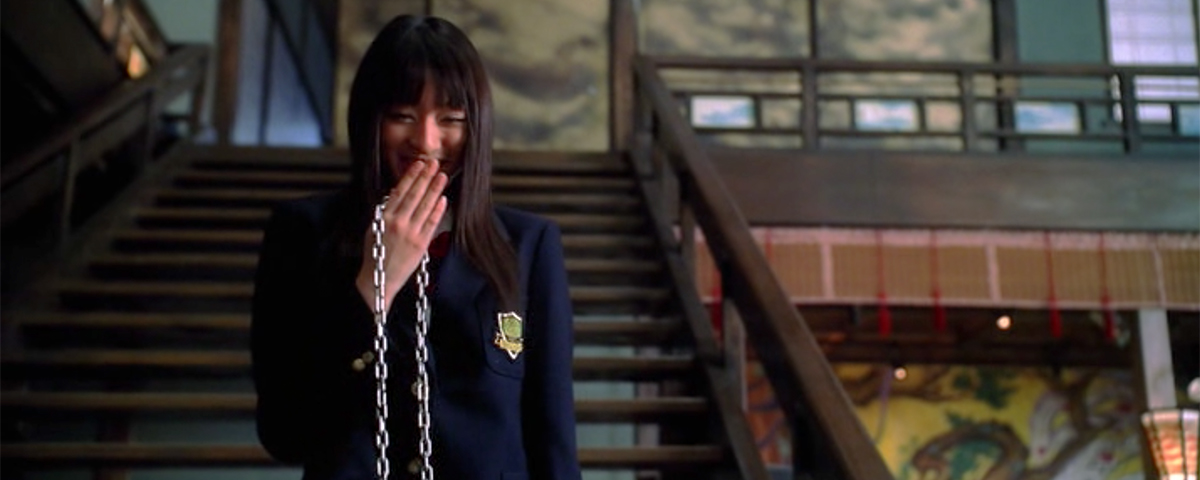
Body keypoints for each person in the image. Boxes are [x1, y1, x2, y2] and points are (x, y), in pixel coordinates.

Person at [251, 14, 582, 480]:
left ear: (478, 127)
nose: (426, 142)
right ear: (369, 119)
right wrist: (373, 290)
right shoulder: (302, 233)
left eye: (451, 119)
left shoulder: (528, 246)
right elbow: (285, 434)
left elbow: (553, 442)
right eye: (402, 116)